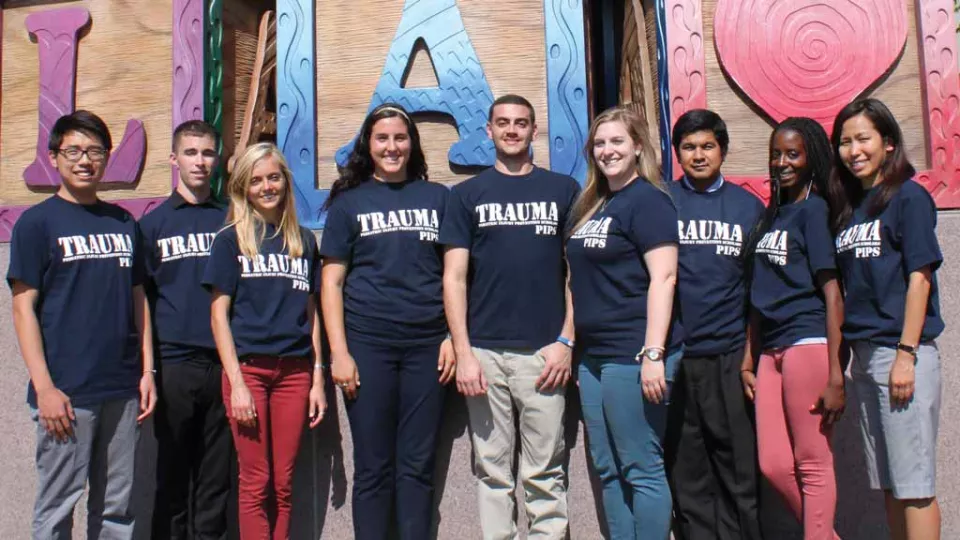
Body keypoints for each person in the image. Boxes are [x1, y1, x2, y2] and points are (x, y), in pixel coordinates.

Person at [8, 110, 156, 539]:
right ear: (54, 157)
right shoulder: (36, 224)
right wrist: (45, 387)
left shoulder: (124, 222)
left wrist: (147, 372)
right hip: (66, 393)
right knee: (57, 508)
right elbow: (22, 309)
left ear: (107, 158)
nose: (84, 160)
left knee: (117, 510)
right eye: (73, 150)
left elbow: (138, 299)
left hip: (122, 388)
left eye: (94, 150)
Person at [439, 94, 579, 539]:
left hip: (545, 354)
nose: (512, 130)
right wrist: (464, 352)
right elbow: (455, 278)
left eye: (521, 123)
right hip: (484, 353)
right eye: (503, 123)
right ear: (489, 131)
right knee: (493, 472)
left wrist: (566, 341)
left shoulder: (563, 190)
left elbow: (577, 273)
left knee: (545, 472)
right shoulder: (465, 196)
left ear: (533, 131)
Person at [320, 103, 455, 540]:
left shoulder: (438, 198)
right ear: (368, 144)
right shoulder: (349, 204)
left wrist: (454, 337)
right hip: (368, 346)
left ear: (412, 143)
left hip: (427, 347)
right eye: (382, 138)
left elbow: (455, 276)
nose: (392, 147)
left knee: (417, 467)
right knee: (374, 466)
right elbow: (332, 283)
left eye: (400, 138)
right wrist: (339, 353)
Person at [565, 105, 683, 539]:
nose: (608, 150)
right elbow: (579, 281)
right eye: (600, 142)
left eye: (617, 141)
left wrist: (654, 353)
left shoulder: (649, 201)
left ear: (638, 147)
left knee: (641, 467)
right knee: (607, 468)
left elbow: (664, 277)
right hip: (594, 358)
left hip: (632, 354)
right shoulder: (594, 204)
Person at [828, 98, 944, 539]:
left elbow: (920, 279)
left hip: (900, 355)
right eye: (845, 141)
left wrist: (906, 354)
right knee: (892, 486)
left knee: (915, 485)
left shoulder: (908, 197)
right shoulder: (853, 208)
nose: (853, 150)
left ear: (889, 144)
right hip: (866, 357)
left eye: (863, 139)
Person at [202, 142, 325, 539]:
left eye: (273, 177)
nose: (267, 186)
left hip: (294, 372)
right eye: (256, 180)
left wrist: (318, 377)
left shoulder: (303, 241)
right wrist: (236, 382)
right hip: (249, 372)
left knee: (284, 483)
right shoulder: (230, 240)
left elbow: (311, 312)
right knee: (256, 482)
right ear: (244, 188)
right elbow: (219, 315)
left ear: (286, 182)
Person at [741, 117, 844, 539]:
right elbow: (758, 293)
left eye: (793, 154)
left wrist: (837, 374)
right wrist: (749, 357)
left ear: (811, 158)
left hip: (808, 344)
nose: (781, 162)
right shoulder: (775, 215)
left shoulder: (813, 211)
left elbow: (833, 294)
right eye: (776, 154)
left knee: (812, 461)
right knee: (773, 464)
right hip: (770, 351)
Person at [666, 109, 764, 540]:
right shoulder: (661, 202)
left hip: (729, 356)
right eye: (689, 147)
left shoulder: (749, 208)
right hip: (678, 356)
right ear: (677, 154)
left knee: (737, 467)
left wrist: (748, 354)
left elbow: (758, 289)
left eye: (707, 146)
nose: (699, 155)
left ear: (723, 149)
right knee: (688, 469)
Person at [141, 120, 230, 539]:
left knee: (216, 480)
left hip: (225, 364)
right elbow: (141, 302)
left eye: (208, 153)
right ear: (173, 159)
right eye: (191, 153)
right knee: (173, 476)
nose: (200, 161)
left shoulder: (231, 220)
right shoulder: (153, 224)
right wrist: (148, 370)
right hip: (174, 362)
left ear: (218, 159)